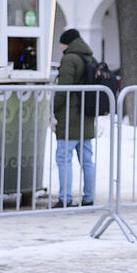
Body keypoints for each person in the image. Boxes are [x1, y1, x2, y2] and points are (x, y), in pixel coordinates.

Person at [53, 27, 98, 207]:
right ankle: (89, 197)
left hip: (69, 116)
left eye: (61, 44)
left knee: (63, 158)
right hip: (86, 115)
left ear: (67, 43)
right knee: (87, 160)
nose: (61, 47)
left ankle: (65, 198)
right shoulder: (90, 57)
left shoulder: (69, 59)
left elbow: (64, 88)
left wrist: (53, 107)